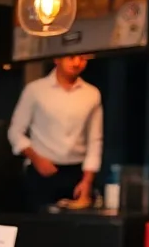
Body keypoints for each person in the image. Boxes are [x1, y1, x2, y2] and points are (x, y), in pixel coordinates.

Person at [7, 54, 104, 210]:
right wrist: (36, 159)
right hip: (42, 171)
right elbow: (15, 131)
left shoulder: (92, 94)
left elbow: (95, 140)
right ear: (57, 59)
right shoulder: (35, 90)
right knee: (40, 227)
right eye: (71, 57)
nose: (77, 63)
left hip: (76, 172)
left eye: (83, 58)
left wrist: (87, 181)